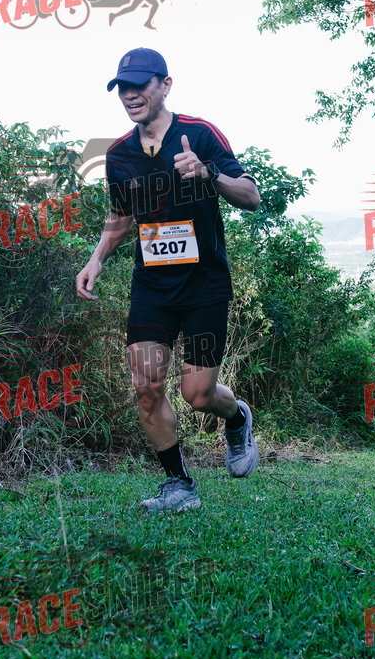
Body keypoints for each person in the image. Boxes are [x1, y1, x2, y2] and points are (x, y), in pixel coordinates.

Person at [76, 47, 260, 513]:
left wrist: (208, 173)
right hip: (152, 289)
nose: (130, 95)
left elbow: (251, 195)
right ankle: (179, 484)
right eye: (123, 88)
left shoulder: (200, 133)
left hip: (204, 287)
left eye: (140, 85)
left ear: (165, 85)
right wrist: (96, 259)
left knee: (197, 394)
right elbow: (120, 216)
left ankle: (237, 418)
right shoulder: (118, 155)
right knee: (147, 389)